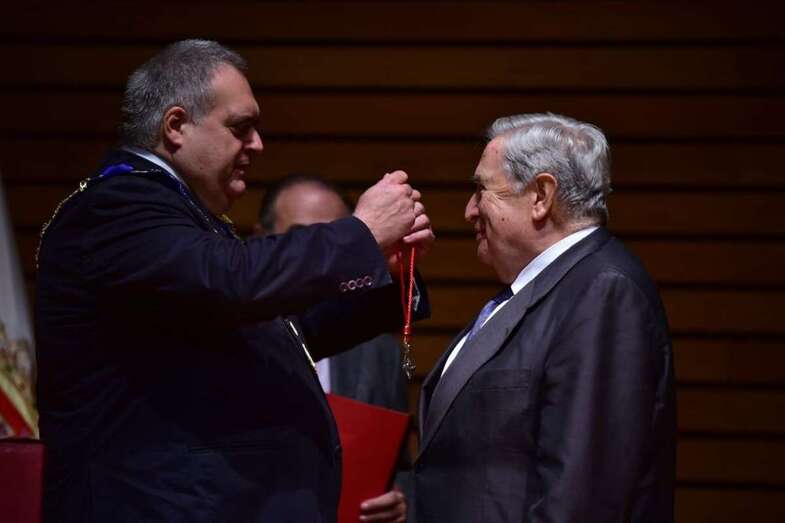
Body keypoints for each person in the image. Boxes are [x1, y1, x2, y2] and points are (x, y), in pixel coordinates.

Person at [35, 39, 433, 523]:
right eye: (240, 128)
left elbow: (283, 334)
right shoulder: (116, 205)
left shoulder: (180, 214)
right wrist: (360, 233)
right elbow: (231, 279)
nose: (257, 145)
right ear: (176, 126)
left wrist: (388, 276)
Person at [413, 113, 675, 522]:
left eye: (481, 189)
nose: (469, 210)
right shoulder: (550, 287)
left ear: (541, 195)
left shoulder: (602, 291)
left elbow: (582, 498)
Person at [256, 174, 414, 516]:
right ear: (261, 240)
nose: (322, 255)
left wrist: (399, 501)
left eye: (337, 238)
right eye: (303, 238)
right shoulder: (238, 338)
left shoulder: (379, 351)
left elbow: (399, 465)